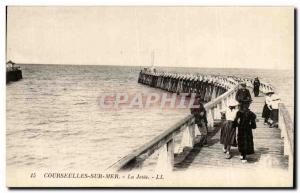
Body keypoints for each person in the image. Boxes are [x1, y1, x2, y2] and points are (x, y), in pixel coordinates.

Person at [233, 98, 257, 163]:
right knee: (247, 141)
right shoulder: (251, 113)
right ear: (248, 105)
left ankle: (242, 154)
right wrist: (252, 126)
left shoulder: (239, 112)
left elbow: (235, 121)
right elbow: (253, 124)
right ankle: (244, 156)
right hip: (248, 129)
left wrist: (235, 125)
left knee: (241, 141)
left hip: (241, 129)